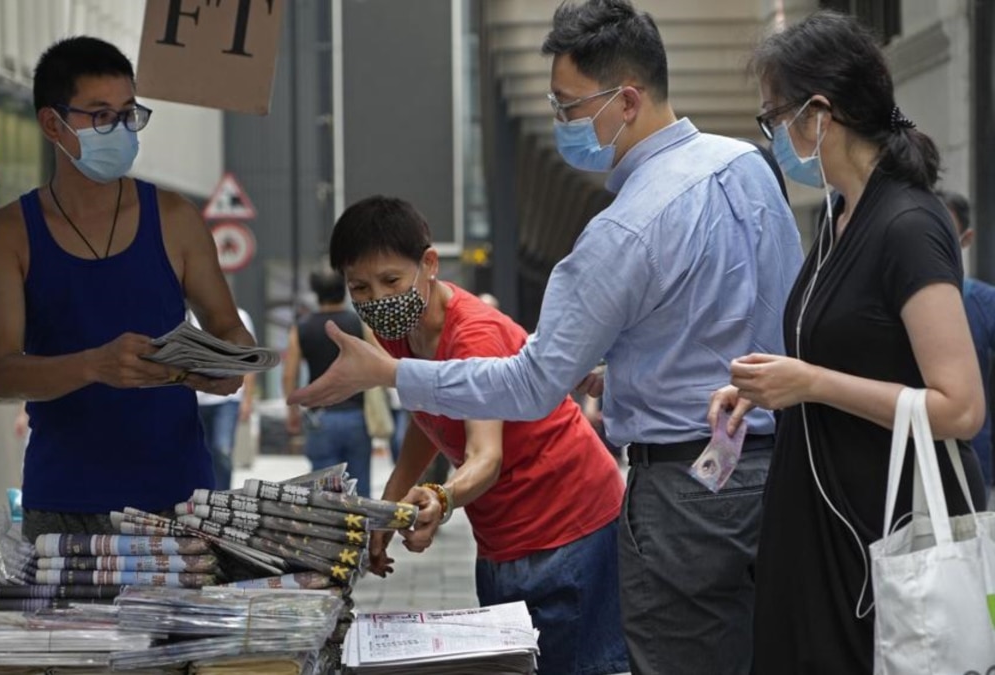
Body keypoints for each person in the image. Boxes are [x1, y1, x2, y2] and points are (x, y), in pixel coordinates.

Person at [289, 2, 803, 673]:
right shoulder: (750, 167)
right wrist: (624, 373)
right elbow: (753, 324)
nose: (562, 124)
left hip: (685, 493)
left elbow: (529, 385)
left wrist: (389, 376)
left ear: (625, 100)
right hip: (776, 472)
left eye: (567, 107)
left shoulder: (623, 229)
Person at [707, 12, 986, 674]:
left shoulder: (908, 224)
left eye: (774, 117)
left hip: (877, 538)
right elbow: (845, 352)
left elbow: (960, 405)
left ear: (820, 113)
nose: (774, 136)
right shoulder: (840, 217)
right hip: (821, 528)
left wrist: (808, 384)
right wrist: (769, 388)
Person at [0, 36, 253, 543]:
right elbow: (3, 371)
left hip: (179, 499)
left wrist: (228, 364)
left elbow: (229, 327)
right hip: (63, 503)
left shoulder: (175, 219)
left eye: (129, 114)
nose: (120, 130)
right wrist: (94, 365)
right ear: (52, 124)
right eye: (101, 116)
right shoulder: (8, 233)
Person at [336, 196, 628, 674]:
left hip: (570, 528)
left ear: (429, 264)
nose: (377, 300)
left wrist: (439, 497)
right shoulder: (399, 330)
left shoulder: (474, 336)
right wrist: (387, 509)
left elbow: (485, 456)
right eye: (359, 288)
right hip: (500, 538)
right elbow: (428, 415)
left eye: (391, 281)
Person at [283, 270, 373, 499]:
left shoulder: (301, 328)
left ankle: (329, 534)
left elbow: (289, 375)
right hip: (356, 414)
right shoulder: (358, 323)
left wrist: (292, 411)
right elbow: (377, 359)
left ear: (316, 294)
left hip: (319, 416)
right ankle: (363, 531)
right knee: (359, 486)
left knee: (324, 491)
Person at [938, 190, 995, 492]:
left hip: (972, 462)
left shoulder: (983, 302)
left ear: (967, 238)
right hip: (903, 458)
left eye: (943, 230)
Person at [189, 307, 257, 490]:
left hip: (228, 399)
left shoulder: (240, 317)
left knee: (222, 449)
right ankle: (205, 493)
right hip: (196, 398)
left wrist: (248, 400)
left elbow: (250, 359)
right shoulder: (189, 317)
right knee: (199, 452)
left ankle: (222, 494)